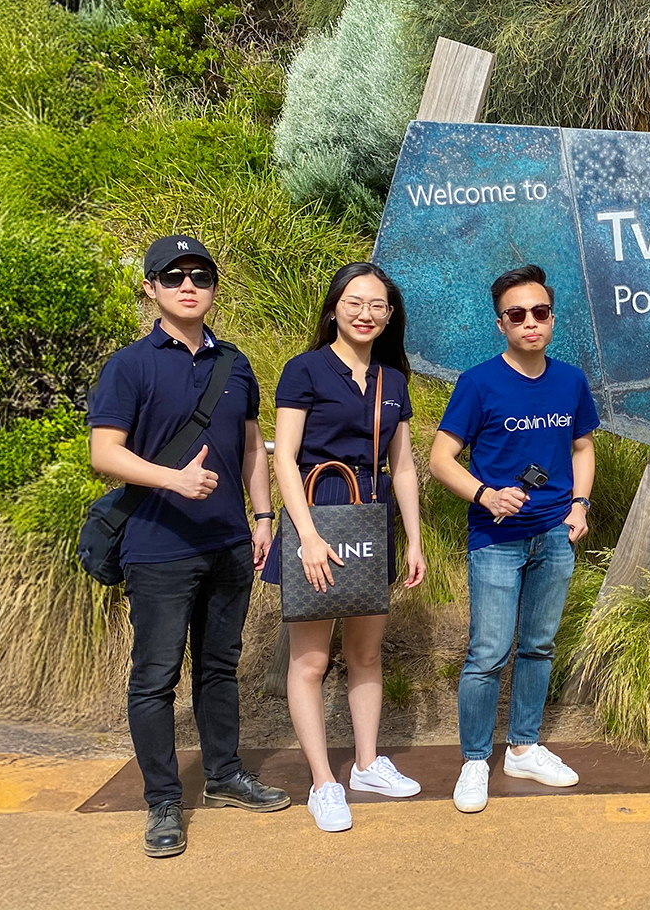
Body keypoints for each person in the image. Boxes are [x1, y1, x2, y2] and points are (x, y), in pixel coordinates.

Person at [88, 235, 290, 858]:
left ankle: (224, 776)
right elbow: (104, 453)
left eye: (200, 276)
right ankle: (163, 802)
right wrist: (171, 478)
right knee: (155, 677)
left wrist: (262, 516)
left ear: (213, 288)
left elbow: (252, 445)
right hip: (158, 546)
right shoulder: (130, 365)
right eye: (173, 276)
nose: (187, 285)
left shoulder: (235, 364)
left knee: (219, 667)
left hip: (229, 541)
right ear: (150, 287)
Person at [262, 262, 427, 832]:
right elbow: (285, 459)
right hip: (318, 510)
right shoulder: (304, 369)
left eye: (378, 305)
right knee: (309, 660)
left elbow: (403, 467)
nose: (366, 313)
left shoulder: (393, 380)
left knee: (366, 653)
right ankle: (322, 782)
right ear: (334, 308)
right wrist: (306, 535)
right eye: (354, 302)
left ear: (389, 315)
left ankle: (366, 764)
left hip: (372, 517)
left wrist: (414, 539)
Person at [430, 264, 598, 814]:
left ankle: (523, 748)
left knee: (538, 646)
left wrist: (580, 505)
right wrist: (485, 495)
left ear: (552, 319)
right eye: (517, 314)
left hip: (554, 534)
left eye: (540, 312)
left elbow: (582, 447)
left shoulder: (570, 381)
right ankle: (475, 760)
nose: (530, 322)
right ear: (500, 323)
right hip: (496, 538)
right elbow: (440, 459)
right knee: (488, 653)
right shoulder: (478, 383)